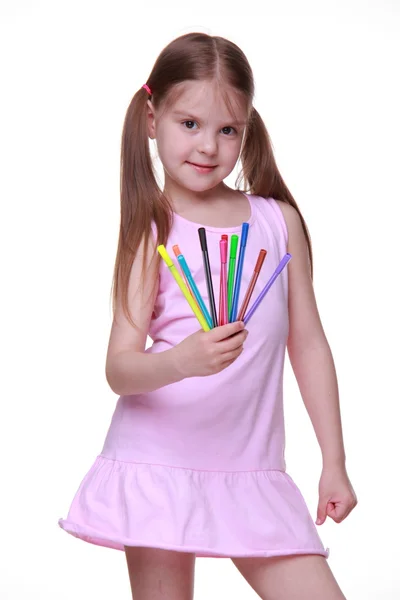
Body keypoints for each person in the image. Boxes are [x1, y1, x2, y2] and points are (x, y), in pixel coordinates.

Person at [58, 32, 357, 600]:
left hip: (252, 473)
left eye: (228, 130)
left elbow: (310, 346)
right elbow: (119, 368)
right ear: (152, 119)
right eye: (189, 124)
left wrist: (334, 461)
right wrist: (181, 360)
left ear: (246, 129)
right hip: (157, 466)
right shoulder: (152, 232)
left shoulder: (277, 223)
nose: (208, 146)